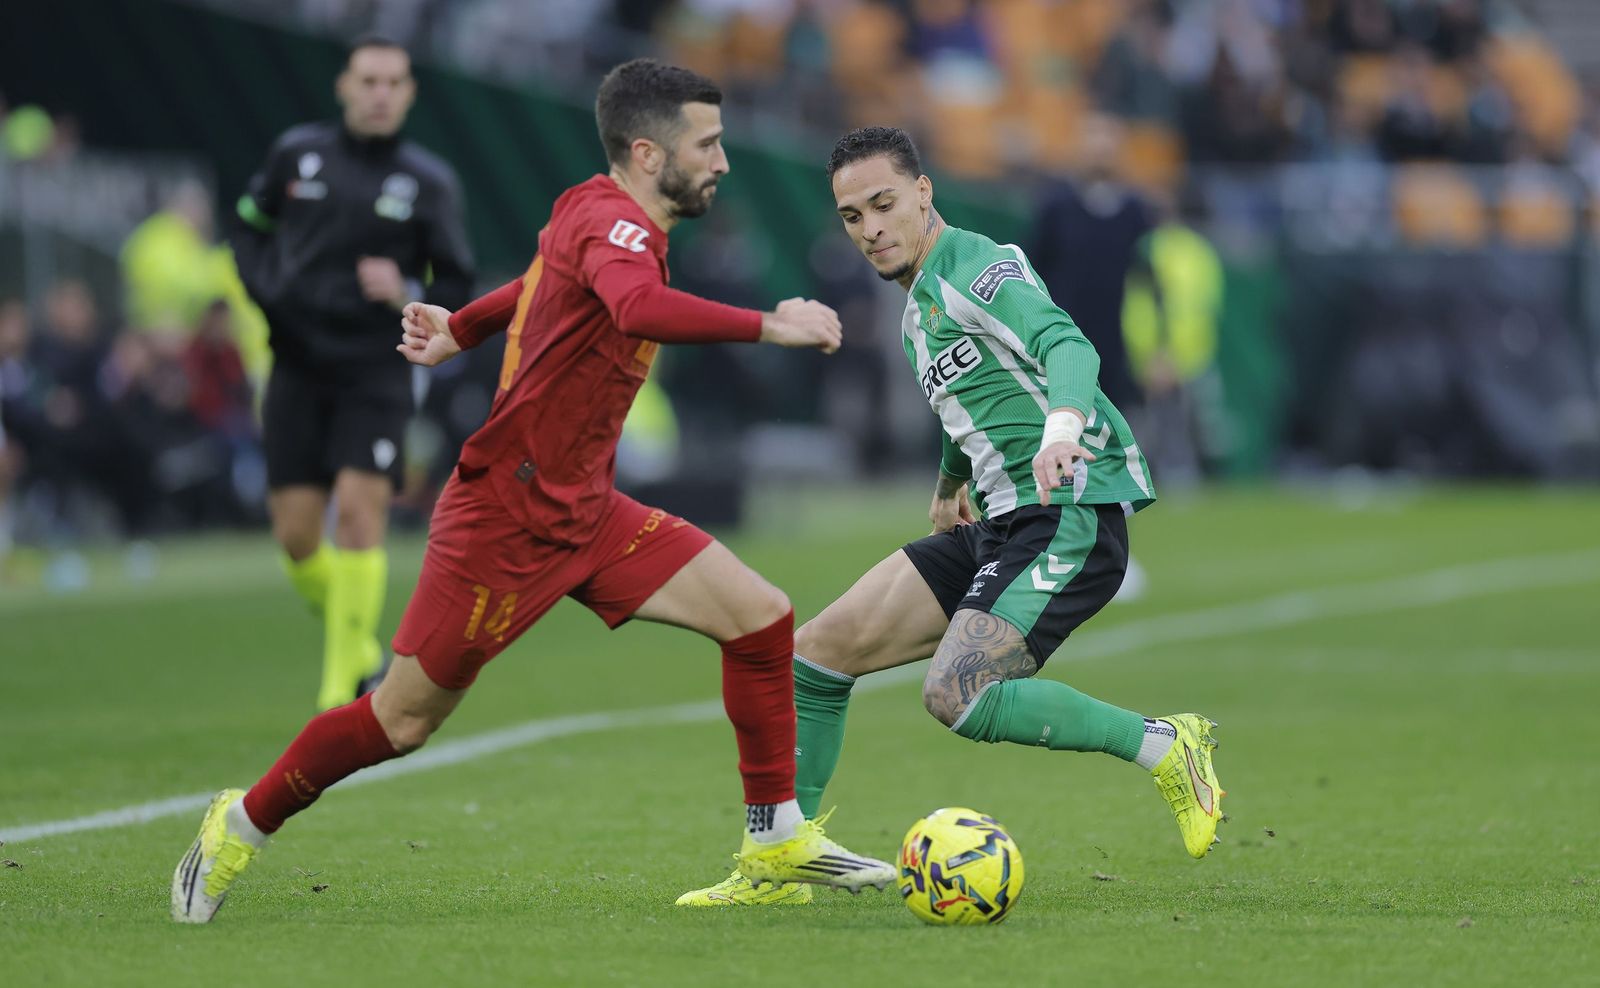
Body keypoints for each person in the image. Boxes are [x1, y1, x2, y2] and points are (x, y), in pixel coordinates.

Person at [172, 59, 896, 924]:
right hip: (504, 519)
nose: (723, 162)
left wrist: (460, 328)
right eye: (707, 144)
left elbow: (543, 286)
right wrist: (768, 323)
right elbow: (632, 308)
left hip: (586, 509)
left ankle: (773, 837)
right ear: (645, 150)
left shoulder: (594, 211)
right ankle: (239, 824)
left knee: (760, 615)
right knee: (400, 722)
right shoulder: (618, 229)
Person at [678, 127, 1226, 907]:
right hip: (1000, 516)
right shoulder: (916, 313)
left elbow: (1067, 345)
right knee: (818, 653)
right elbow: (965, 407)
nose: (870, 228)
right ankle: (777, 858)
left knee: (957, 693)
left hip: (1068, 507)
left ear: (924, 193)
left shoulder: (978, 265)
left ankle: (1166, 744)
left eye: (883, 204)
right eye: (851, 215)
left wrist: (1064, 429)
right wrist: (946, 485)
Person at [232, 35, 475, 710]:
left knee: (361, 517)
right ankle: (362, 648)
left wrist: (402, 285)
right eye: (368, 80)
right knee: (297, 537)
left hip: (376, 368)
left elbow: (455, 279)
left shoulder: (429, 182)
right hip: (297, 365)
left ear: (408, 94)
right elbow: (248, 226)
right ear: (344, 86)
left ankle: (339, 698)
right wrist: (267, 291)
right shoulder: (296, 154)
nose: (379, 93)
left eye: (393, 82)